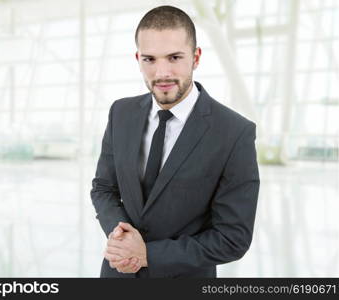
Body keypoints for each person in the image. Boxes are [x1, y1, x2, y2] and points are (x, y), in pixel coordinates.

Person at [90, 5, 260, 278]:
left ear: (196, 57)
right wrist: (122, 235)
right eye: (150, 59)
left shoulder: (234, 132)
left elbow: (233, 238)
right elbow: (103, 188)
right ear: (138, 58)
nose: (162, 73)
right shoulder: (120, 112)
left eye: (174, 57)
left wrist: (147, 254)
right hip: (117, 275)